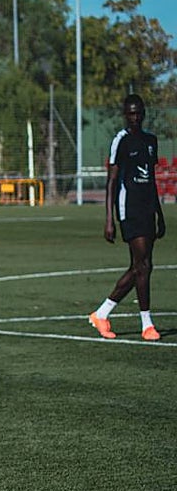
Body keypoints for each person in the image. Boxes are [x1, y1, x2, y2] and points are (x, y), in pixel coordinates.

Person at [89, 93, 166, 341]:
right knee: (142, 266)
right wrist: (109, 219)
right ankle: (147, 325)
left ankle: (102, 313)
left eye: (139, 112)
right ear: (125, 114)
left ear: (144, 113)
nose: (135, 117)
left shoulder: (151, 141)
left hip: (146, 208)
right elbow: (112, 181)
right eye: (131, 113)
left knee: (142, 267)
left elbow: (151, 181)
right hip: (128, 209)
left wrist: (159, 214)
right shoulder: (120, 141)